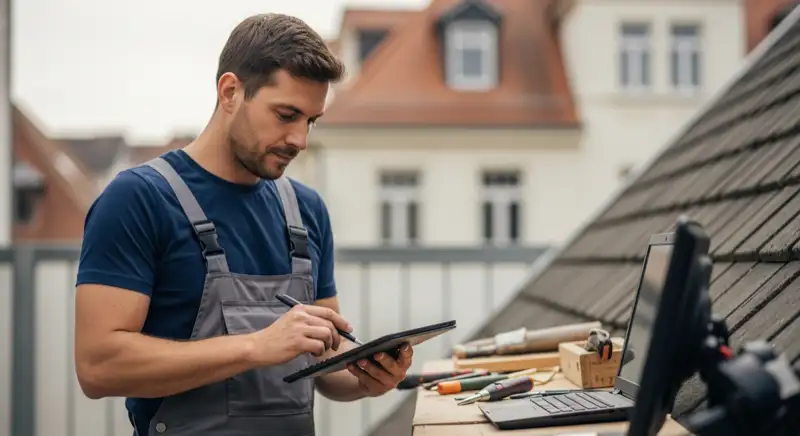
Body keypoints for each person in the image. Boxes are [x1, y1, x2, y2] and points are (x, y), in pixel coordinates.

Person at [73, 13, 413, 436]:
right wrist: (256, 346)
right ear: (230, 91)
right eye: (286, 114)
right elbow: (97, 366)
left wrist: (366, 379)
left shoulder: (306, 212)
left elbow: (326, 367)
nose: (300, 140)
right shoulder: (138, 200)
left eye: (311, 120)